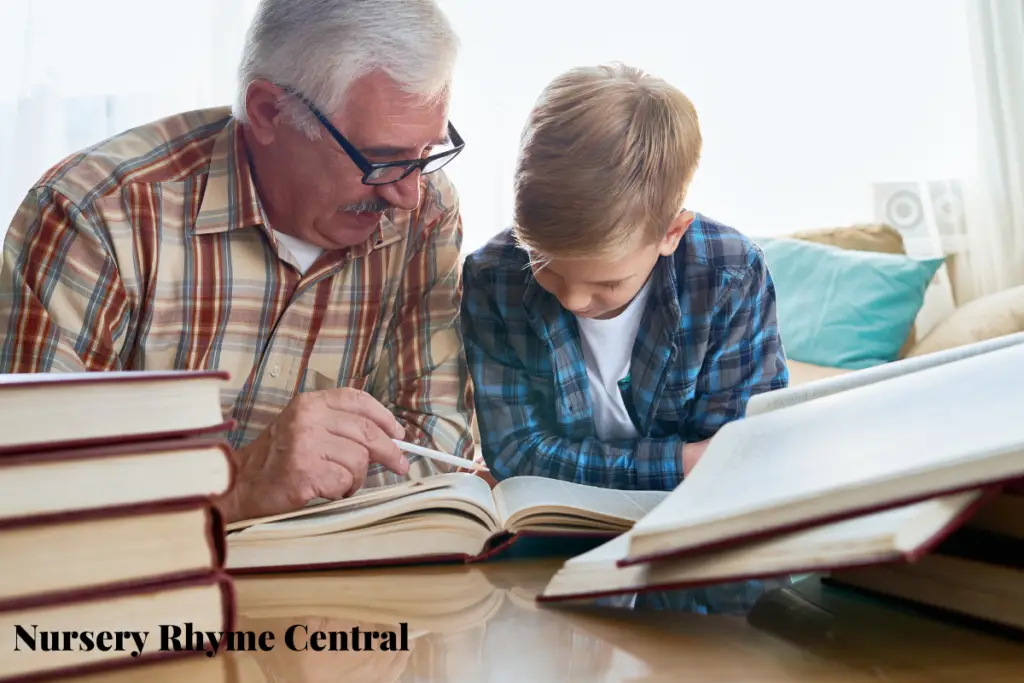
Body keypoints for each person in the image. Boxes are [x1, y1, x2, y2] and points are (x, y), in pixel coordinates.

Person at [0, 0, 476, 521]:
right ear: (268, 112)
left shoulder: (425, 211)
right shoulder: (97, 214)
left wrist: (306, 494)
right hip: (142, 594)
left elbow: (436, 441)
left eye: (426, 153)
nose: (407, 194)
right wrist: (238, 487)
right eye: (382, 159)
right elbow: (28, 487)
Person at [460, 63, 789, 490]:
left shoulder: (730, 276)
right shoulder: (493, 276)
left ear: (672, 233)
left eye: (608, 283)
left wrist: (700, 462)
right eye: (544, 265)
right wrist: (681, 462)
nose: (573, 300)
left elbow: (736, 455)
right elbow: (516, 453)